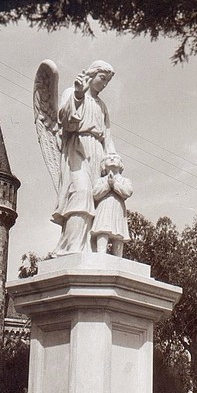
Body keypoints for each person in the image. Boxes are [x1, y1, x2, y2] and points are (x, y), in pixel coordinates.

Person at [52, 61, 116, 254]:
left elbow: (107, 135)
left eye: (107, 82)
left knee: (99, 198)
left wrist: (111, 157)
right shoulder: (71, 92)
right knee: (81, 193)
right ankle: (71, 247)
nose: (104, 84)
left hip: (97, 151)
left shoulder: (102, 105)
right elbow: (64, 121)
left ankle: (91, 247)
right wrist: (79, 95)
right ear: (92, 74)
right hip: (77, 148)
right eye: (102, 79)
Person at [91, 153, 133, 257]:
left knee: (118, 235)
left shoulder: (124, 180)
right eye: (109, 158)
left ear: (121, 164)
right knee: (102, 230)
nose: (112, 159)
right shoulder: (100, 180)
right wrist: (107, 184)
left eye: (115, 158)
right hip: (104, 207)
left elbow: (128, 192)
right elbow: (95, 194)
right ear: (104, 165)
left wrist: (114, 184)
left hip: (118, 208)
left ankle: (118, 257)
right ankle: (100, 254)